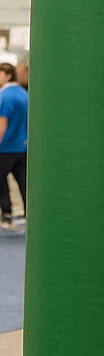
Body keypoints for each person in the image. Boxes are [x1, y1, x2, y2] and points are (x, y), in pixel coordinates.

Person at [0, 62, 28, 231]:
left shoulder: (5, 97)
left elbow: (2, 126)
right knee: (24, 184)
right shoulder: (24, 94)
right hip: (22, 148)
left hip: (6, 149)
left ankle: (7, 215)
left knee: (1, 183)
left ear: (8, 75)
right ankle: (29, 217)